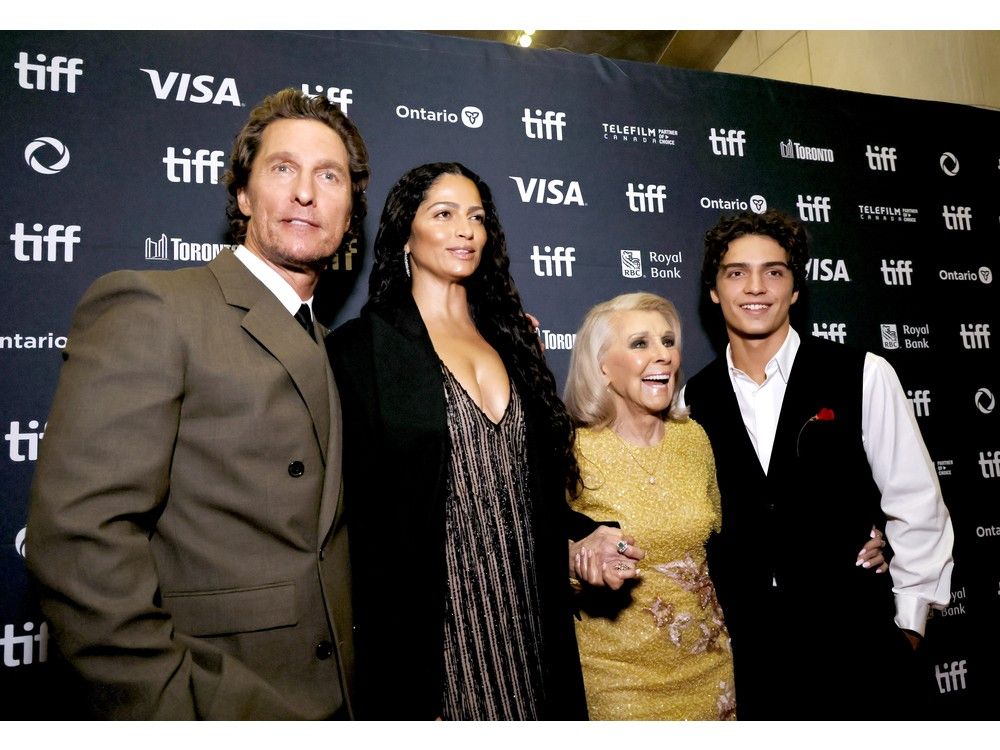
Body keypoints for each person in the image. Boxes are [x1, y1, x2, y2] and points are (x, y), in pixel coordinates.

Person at [26, 88, 369, 719]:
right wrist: (170, 709)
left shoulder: (329, 344)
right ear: (242, 195)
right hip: (221, 695)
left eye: (330, 176)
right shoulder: (157, 306)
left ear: (350, 212)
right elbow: (79, 540)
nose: (306, 193)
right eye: (282, 168)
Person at [327, 162, 640, 720]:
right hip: (435, 639)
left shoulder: (515, 339)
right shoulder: (359, 351)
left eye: (476, 217)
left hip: (532, 623)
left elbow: (527, 489)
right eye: (443, 214)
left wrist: (586, 537)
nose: (465, 230)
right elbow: (356, 515)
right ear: (405, 233)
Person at [680, 209, 954, 719]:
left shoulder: (864, 374)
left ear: (796, 289)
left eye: (775, 271)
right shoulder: (688, 400)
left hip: (859, 647)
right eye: (736, 272)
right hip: (752, 659)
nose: (756, 287)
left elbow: (918, 505)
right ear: (713, 291)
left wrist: (910, 626)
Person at [563, 292, 736, 720]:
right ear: (602, 366)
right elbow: (540, 556)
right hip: (618, 679)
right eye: (640, 344)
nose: (663, 355)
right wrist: (578, 565)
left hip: (710, 668)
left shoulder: (694, 439)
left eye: (668, 342)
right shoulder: (571, 450)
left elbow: (719, 543)